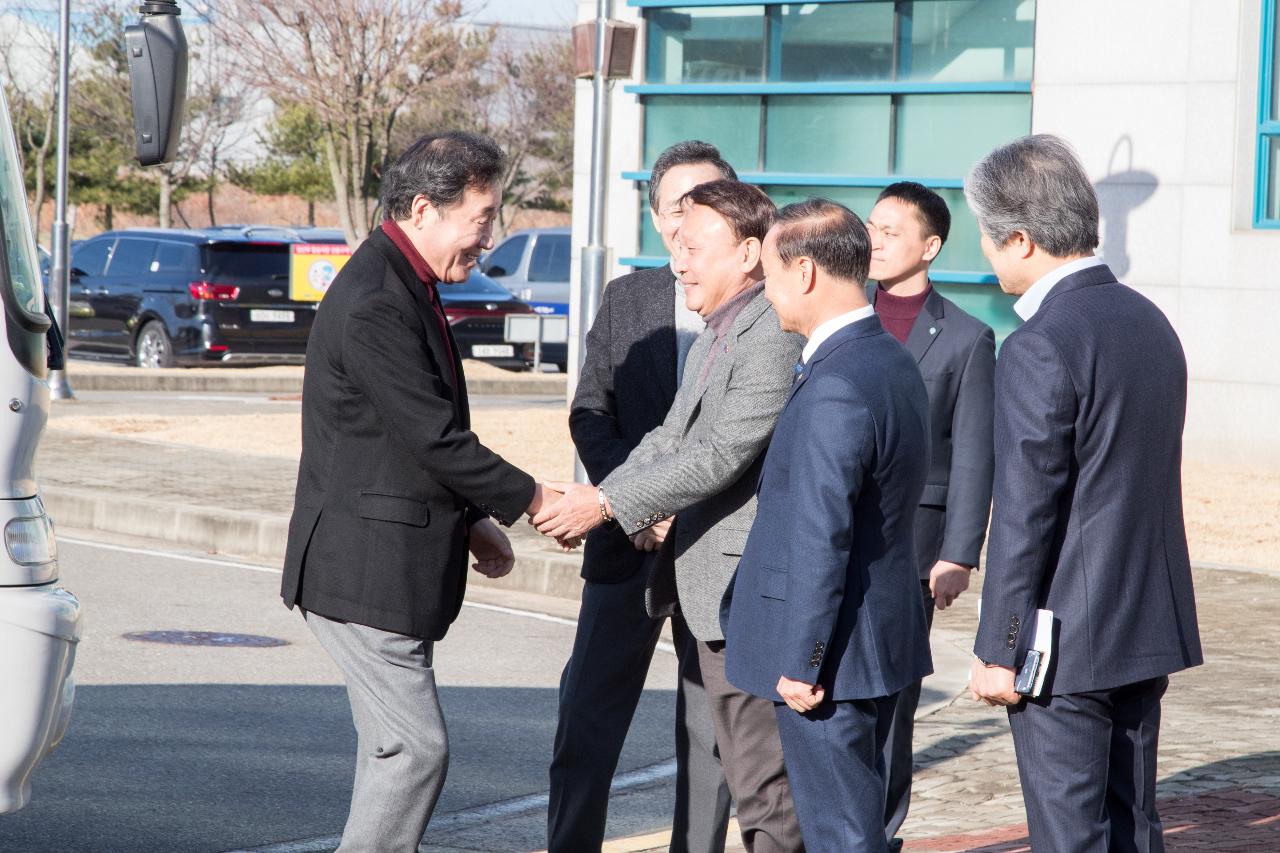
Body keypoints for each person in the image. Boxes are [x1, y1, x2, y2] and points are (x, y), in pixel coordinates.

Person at [281, 131, 554, 853]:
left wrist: (470, 522)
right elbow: (432, 435)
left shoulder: (402, 281)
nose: (488, 238)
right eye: (483, 216)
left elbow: (403, 439)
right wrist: (533, 499)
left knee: (389, 749)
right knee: (415, 749)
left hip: (382, 562)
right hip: (363, 567)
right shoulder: (377, 297)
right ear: (425, 208)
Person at [535, 180, 806, 852]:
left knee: (756, 786)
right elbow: (666, 438)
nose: (679, 259)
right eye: (675, 239)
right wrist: (602, 508)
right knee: (593, 722)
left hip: (730, 584)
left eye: (695, 245)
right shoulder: (721, 325)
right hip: (665, 562)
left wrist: (601, 502)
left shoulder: (767, 331)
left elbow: (719, 454)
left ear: (749, 252)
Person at [966, 134, 1202, 853]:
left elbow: (1025, 511)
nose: (984, 253)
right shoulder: (1150, 322)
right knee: (1135, 826)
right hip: (1146, 623)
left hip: (1063, 641)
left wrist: (997, 647)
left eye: (985, 235)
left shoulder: (1041, 342)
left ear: (1021, 238)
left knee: (1070, 835)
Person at [723, 198, 933, 853]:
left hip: (831, 661)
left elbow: (821, 534)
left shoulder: (837, 380)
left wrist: (800, 659)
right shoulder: (890, 358)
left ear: (806, 272)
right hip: (877, 640)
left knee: (842, 833)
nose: (764, 291)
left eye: (769, 273)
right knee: (858, 823)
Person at [548, 141, 736, 853]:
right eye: (675, 205)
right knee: (586, 721)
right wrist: (638, 500)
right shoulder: (628, 297)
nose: (689, 216)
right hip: (626, 542)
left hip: (717, 544)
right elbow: (589, 410)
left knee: (709, 732)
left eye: (705, 199)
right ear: (658, 219)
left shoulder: (759, 310)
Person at [865, 182, 995, 852]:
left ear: (931, 245)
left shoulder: (968, 338)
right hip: (831, 540)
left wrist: (959, 553)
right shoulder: (836, 312)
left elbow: (975, 452)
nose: (876, 239)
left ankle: (879, 835)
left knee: (891, 706)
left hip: (912, 553)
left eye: (892, 230)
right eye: (872, 226)